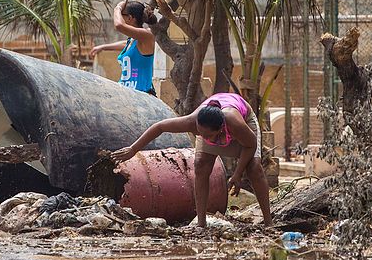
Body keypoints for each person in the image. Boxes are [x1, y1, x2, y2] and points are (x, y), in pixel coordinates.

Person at [111, 92, 272, 227]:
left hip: (244, 126)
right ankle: (201, 223)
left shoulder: (233, 122)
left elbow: (250, 145)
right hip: (210, 126)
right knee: (201, 165)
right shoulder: (194, 123)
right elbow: (159, 127)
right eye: (199, 132)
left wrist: (237, 174)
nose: (202, 136)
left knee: (254, 169)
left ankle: (268, 222)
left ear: (221, 128)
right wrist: (133, 149)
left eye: (207, 135)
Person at [90, 0, 157, 95]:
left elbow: (119, 25)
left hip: (142, 96)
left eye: (122, 15)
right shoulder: (133, 41)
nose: (119, 16)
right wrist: (103, 47)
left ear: (130, 18)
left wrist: (117, 8)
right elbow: (126, 44)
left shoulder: (146, 35)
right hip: (126, 94)